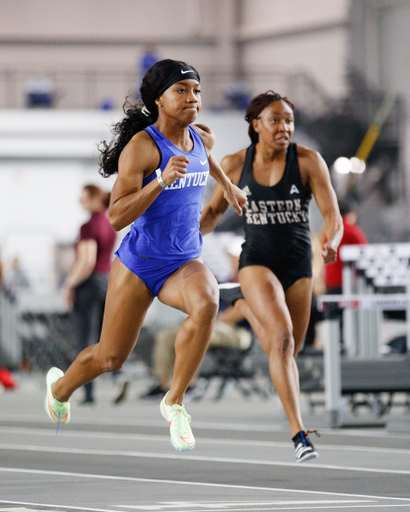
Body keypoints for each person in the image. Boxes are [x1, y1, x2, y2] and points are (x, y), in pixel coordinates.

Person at [44, 59, 247, 452]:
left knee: (207, 303)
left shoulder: (202, 137)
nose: (193, 99)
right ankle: (60, 388)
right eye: (182, 91)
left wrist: (229, 187)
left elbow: (209, 163)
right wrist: (159, 181)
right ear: (159, 100)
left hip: (184, 260)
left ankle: (174, 402)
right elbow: (117, 215)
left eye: (197, 91)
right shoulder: (142, 148)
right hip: (138, 264)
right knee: (110, 358)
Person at [200, 90, 343, 462]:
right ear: (256, 124)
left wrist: (333, 242)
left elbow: (332, 215)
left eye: (290, 121)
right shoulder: (234, 164)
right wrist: (190, 234)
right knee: (279, 339)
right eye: (276, 120)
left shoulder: (309, 161)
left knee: (287, 350)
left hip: (298, 263)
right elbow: (213, 212)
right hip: (257, 259)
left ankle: (245, 308)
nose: (285, 127)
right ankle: (299, 433)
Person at [139, 236, 252, 400]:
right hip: (218, 325)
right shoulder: (226, 280)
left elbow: (238, 312)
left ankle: (190, 385)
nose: (230, 259)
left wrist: (210, 319)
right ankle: (162, 384)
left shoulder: (249, 280)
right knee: (168, 335)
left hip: (239, 332)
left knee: (196, 333)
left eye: (233, 257)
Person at [63, 184, 117, 404]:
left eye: (84, 198)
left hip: (89, 284)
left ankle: (88, 393)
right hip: (107, 281)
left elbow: (86, 261)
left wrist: (69, 283)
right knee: (107, 337)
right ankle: (118, 374)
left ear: (95, 198)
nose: (81, 203)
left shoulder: (88, 226)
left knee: (85, 340)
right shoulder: (110, 222)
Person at [324, 197, 368, 295]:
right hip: (348, 283)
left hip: (330, 282)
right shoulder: (353, 231)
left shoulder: (328, 231)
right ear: (350, 213)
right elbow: (366, 252)